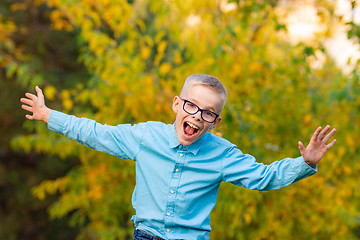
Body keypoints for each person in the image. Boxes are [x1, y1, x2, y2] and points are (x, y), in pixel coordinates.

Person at [20, 74, 336, 240]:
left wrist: (305, 162)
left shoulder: (222, 155)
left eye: (208, 113)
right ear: (177, 104)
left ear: (216, 122)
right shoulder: (146, 137)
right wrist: (49, 115)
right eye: (192, 106)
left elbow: (264, 177)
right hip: (146, 236)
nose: (197, 117)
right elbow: (96, 133)